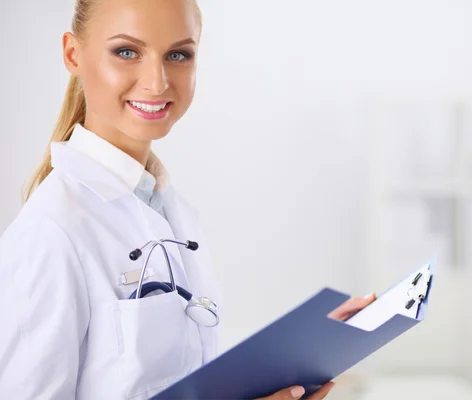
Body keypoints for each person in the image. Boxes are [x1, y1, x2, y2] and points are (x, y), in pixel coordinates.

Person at [0, 0, 376, 399]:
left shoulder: (164, 207)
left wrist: (299, 351)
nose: (157, 82)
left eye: (178, 55)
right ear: (73, 54)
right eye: (127, 52)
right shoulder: (52, 232)